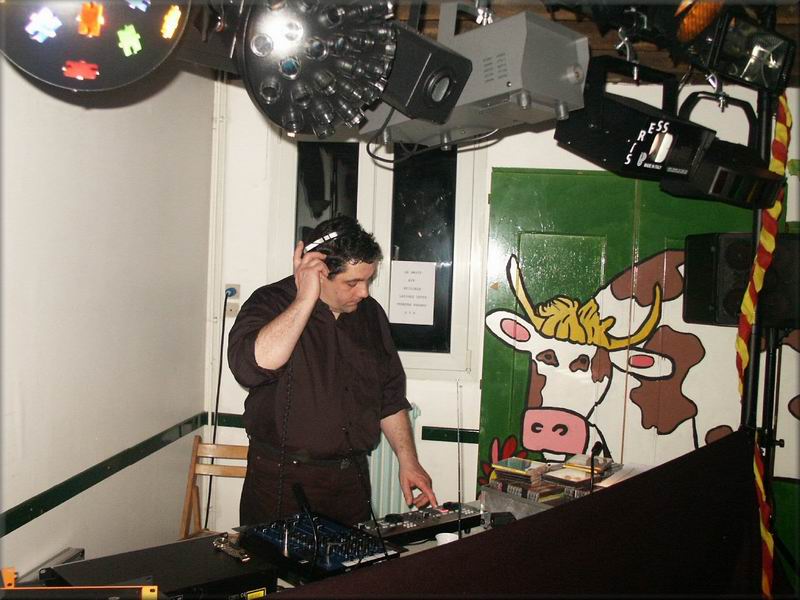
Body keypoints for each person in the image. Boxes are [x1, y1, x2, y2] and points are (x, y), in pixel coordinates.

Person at [228, 215, 438, 526]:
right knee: (274, 558)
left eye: (368, 280)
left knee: (354, 558)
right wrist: (305, 298)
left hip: (350, 481)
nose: (364, 292)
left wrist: (409, 461)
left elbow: (389, 398)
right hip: (281, 480)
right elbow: (251, 368)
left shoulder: (370, 315)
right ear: (319, 272)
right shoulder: (270, 302)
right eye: (352, 283)